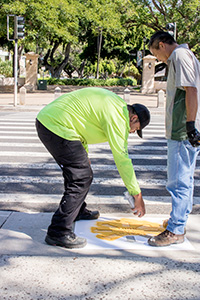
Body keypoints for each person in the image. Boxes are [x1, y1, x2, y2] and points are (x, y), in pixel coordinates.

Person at [36, 87, 150, 248]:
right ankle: (58, 231)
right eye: (136, 128)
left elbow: (83, 125)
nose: (132, 132)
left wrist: (85, 155)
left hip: (52, 122)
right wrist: (136, 194)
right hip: (56, 126)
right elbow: (122, 159)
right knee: (81, 177)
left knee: (78, 172)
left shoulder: (117, 105)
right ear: (134, 118)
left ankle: (78, 211)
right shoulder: (118, 118)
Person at [148, 31, 200, 247]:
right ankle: (179, 220)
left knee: (178, 181)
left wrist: (189, 125)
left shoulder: (179, 55)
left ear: (162, 45)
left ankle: (176, 230)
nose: (160, 60)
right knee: (184, 179)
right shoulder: (186, 55)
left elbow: (191, 90)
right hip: (183, 129)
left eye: (156, 55)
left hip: (181, 130)